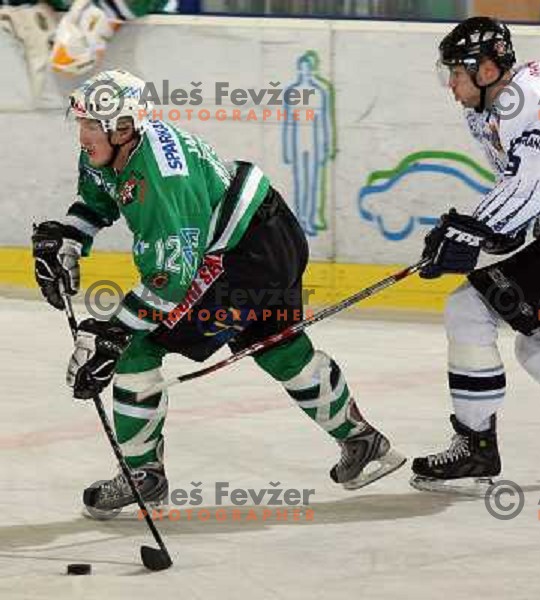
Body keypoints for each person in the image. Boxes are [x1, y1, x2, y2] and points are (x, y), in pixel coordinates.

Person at [31, 69, 405, 512]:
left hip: (243, 261)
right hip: (268, 229)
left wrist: (112, 336)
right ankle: (365, 444)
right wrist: (71, 237)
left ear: (124, 128)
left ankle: (142, 474)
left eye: (92, 125)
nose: (83, 134)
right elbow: (100, 197)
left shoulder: (161, 179)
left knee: (136, 347)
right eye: (82, 123)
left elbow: (169, 282)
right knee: (277, 346)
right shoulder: (116, 145)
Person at [410, 16, 540, 492]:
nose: (450, 83)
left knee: (467, 308)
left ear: (488, 70)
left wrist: (472, 231)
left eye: (456, 71)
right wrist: (488, 233)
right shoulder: (492, 107)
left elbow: (535, 184)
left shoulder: (534, 97)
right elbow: (520, 182)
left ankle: (475, 446)